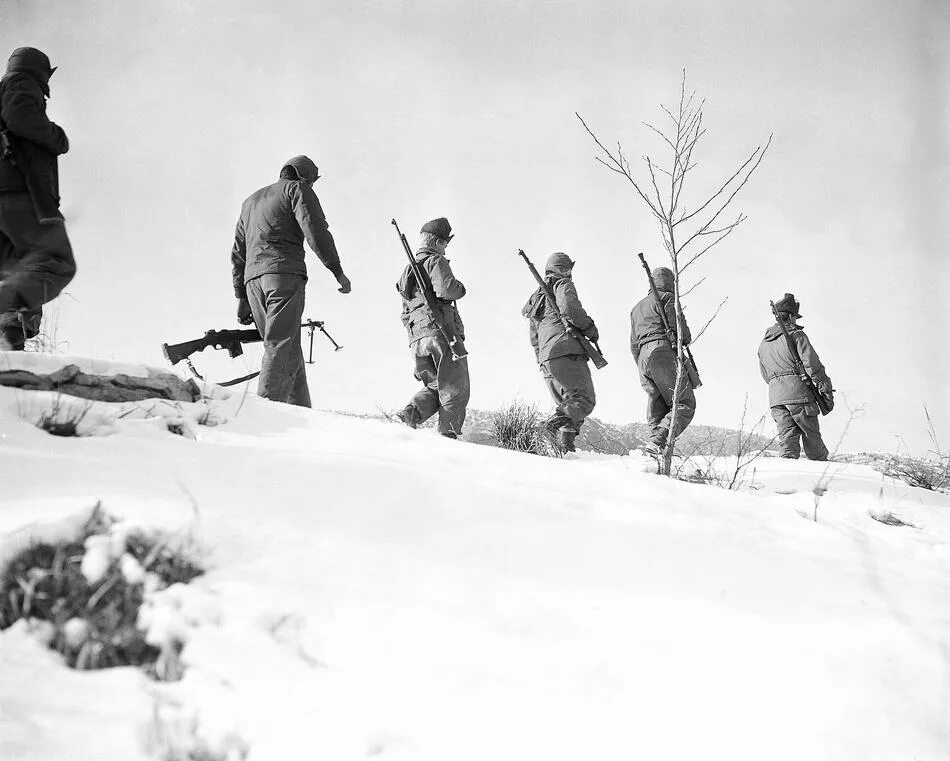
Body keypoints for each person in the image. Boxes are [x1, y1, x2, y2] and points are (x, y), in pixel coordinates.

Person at [230, 155, 350, 406]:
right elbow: (315, 230)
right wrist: (336, 270)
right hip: (283, 276)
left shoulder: (250, 201)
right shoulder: (298, 189)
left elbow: (238, 251)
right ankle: (267, 409)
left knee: (288, 348)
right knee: (280, 345)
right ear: (306, 177)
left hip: (253, 283)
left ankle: (301, 413)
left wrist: (241, 297)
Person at [0, 47, 75, 351]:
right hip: (20, 195)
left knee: (17, 267)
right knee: (56, 262)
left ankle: (10, 344)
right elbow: (20, 116)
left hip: (6, 199)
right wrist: (57, 137)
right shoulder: (21, 84)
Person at [394, 217, 469, 438]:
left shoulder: (407, 272)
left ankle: (411, 412)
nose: (446, 249)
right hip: (440, 332)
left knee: (437, 386)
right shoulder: (436, 261)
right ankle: (449, 437)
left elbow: (405, 313)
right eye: (445, 243)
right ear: (437, 242)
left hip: (417, 339)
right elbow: (449, 290)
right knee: (456, 389)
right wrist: (461, 288)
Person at [521, 252, 598, 452]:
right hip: (566, 351)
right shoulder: (562, 284)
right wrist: (590, 329)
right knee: (584, 399)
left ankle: (566, 450)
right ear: (562, 269)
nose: (570, 273)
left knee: (568, 405)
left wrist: (542, 361)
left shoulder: (536, 298)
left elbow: (534, 337)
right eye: (567, 269)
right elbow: (571, 310)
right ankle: (548, 428)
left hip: (547, 359)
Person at [758, 293, 833, 460]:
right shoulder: (797, 336)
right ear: (791, 316)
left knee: (787, 447)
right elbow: (813, 367)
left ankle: (789, 483)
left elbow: (765, 375)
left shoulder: (764, 344)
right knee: (814, 446)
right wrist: (826, 390)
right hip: (800, 396)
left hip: (776, 399)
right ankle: (823, 483)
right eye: (795, 317)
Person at [630, 266, 695, 454]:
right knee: (684, 402)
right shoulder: (667, 298)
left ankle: (653, 448)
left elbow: (633, 344)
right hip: (662, 352)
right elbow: (683, 334)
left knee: (657, 404)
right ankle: (659, 442)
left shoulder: (636, 308)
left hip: (643, 358)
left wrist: (645, 364)